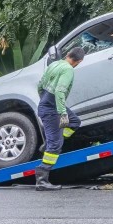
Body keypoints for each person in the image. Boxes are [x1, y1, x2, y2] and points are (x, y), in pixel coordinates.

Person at [34, 46, 85, 191]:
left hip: (48, 103)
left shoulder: (55, 64)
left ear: (68, 54)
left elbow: (40, 85)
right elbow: (60, 91)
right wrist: (62, 113)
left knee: (75, 121)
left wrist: (44, 100)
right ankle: (42, 180)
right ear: (79, 61)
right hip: (52, 108)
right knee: (55, 145)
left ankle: (51, 142)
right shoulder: (68, 69)